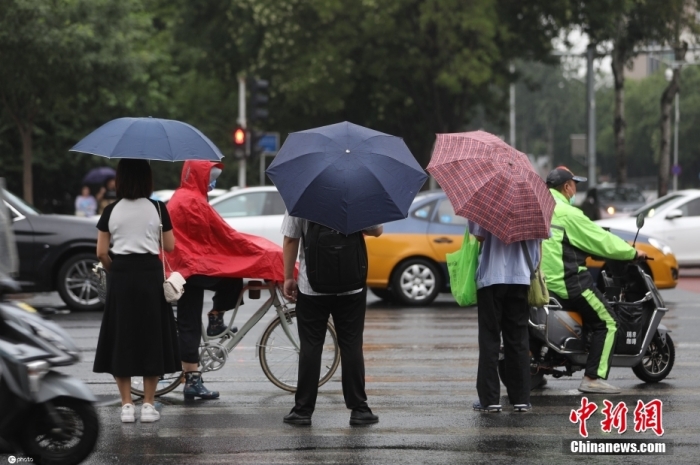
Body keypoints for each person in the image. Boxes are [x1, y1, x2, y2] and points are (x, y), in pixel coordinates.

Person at [167, 161, 286, 400]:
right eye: (211, 177)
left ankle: (212, 327)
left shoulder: (182, 196)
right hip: (190, 269)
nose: (213, 182)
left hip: (182, 268)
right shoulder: (194, 201)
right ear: (200, 176)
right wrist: (255, 251)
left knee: (189, 322)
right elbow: (224, 236)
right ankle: (214, 322)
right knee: (229, 280)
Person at [541, 167, 647, 394]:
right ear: (567, 186)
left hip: (541, 283)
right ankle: (592, 377)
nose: (575, 189)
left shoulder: (538, 208)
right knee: (608, 322)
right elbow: (601, 240)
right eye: (575, 184)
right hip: (568, 282)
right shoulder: (568, 214)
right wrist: (631, 253)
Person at [93, 159, 180, 423]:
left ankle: (127, 405)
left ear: (120, 179)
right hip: (150, 275)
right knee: (151, 336)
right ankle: (149, 405)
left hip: (121, 274)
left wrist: (114, 269)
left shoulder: (110, 210)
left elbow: (101, 252)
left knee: (122, 336)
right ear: (147, 179)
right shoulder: (157, 207)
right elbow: (169, 246)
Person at [280, 214, 382, 426]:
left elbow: (291, 238)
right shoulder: (357, 193)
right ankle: (359, 409)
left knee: (310, 346)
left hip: (312, 287)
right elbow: (376, 230)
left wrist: (288, 276)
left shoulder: (302, 196)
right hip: (351, 285)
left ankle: (302, 411)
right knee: (352, 345)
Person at [469, 222, 540, 413]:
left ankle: (490, 400)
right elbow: (539, 243)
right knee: (518, 339)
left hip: (491, 278)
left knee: (490, 339)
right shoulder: (534, 205)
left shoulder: (486, 201)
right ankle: (521, 399)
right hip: (521, 278)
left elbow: (479, 237)